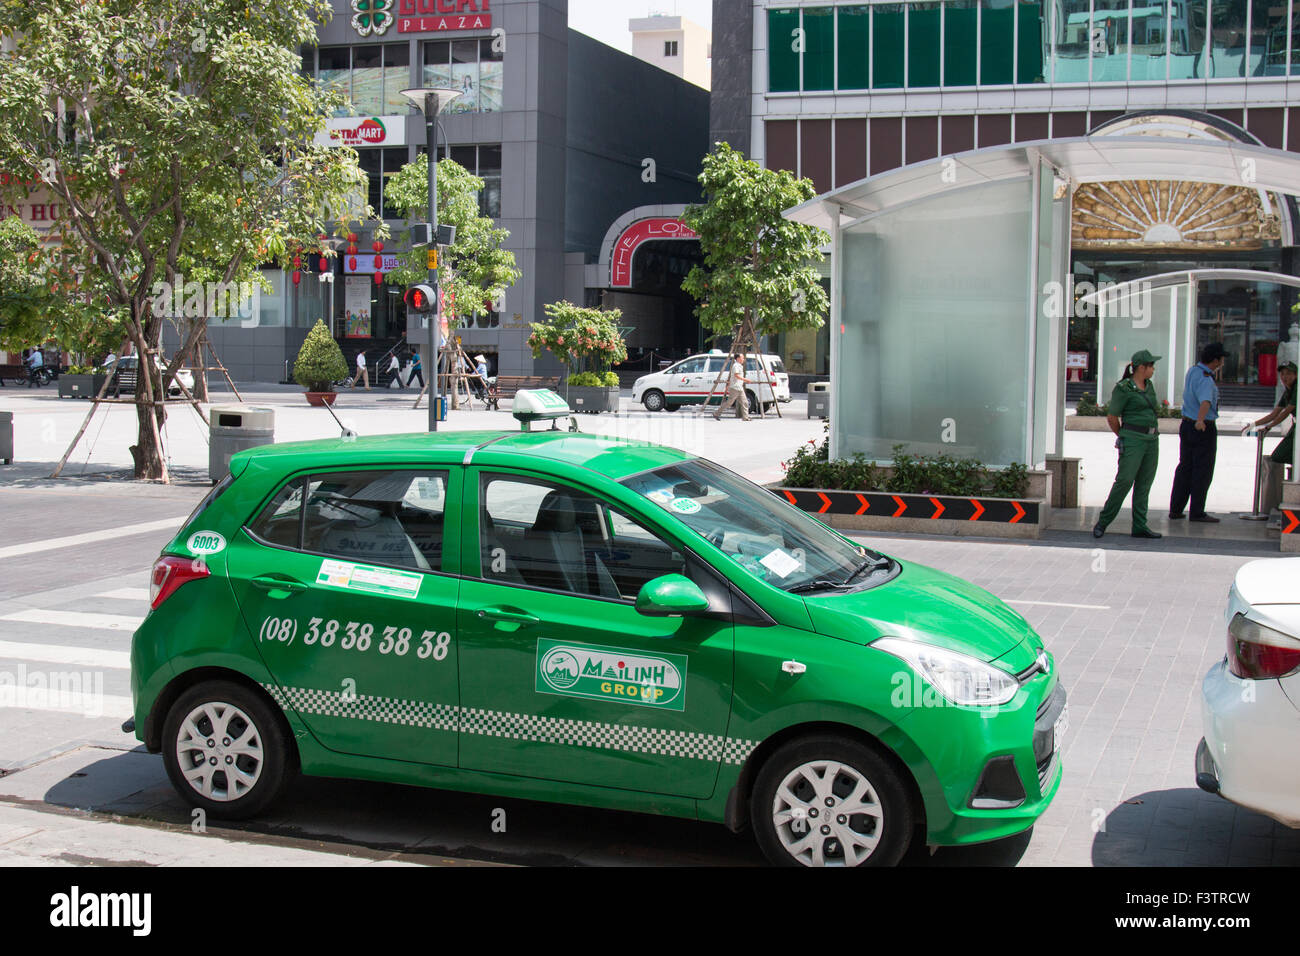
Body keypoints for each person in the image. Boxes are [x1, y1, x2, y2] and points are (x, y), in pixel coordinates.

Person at [1093, 350, 1163, 540]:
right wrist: (1124, 435)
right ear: (1141, 367)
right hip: (1133, 440)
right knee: (1124, 481)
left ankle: (1140, 526)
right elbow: (1112, 417)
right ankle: (1103, 522)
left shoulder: (1149, 386)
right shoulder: (1124, 388)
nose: (1154, 369)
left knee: (1144, 484)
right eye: (1151, 365)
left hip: (1151, 440)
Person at [1169, 342, 1226, 522]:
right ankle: (1197, 512)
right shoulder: (1206, 378)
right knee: (1202, 470)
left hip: (1186, 425)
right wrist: (1201, 420)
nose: (1222, 362)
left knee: (1185, 467)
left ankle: (1176, 509)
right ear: (1215, 360)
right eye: (1221, 359)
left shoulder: (1193, 371)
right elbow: (1205, 402)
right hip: (1201, 427)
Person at [1249, 360, 1297, 514]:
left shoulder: (1297, 388)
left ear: (1296, 375)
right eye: (1282, 374)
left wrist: (1269, 427)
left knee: (1279, 455)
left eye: (1289, 373)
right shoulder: (1287, 391)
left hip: (1298, 429)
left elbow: (1287, 412)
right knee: (1279, 456)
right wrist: (1253, 424)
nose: (1285, 377)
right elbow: (1275, 413)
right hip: (1297, 428)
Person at [714, 353, 751, 421]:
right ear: (738, 358)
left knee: (745, 402)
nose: (743, 359)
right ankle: (716, 413)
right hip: (735, 387)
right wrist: (745, 380)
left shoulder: (740, 366)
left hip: (739, 387)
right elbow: (736, 375)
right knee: (729, 403)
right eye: (742, 358)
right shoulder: (736, 366)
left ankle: (745, 417)